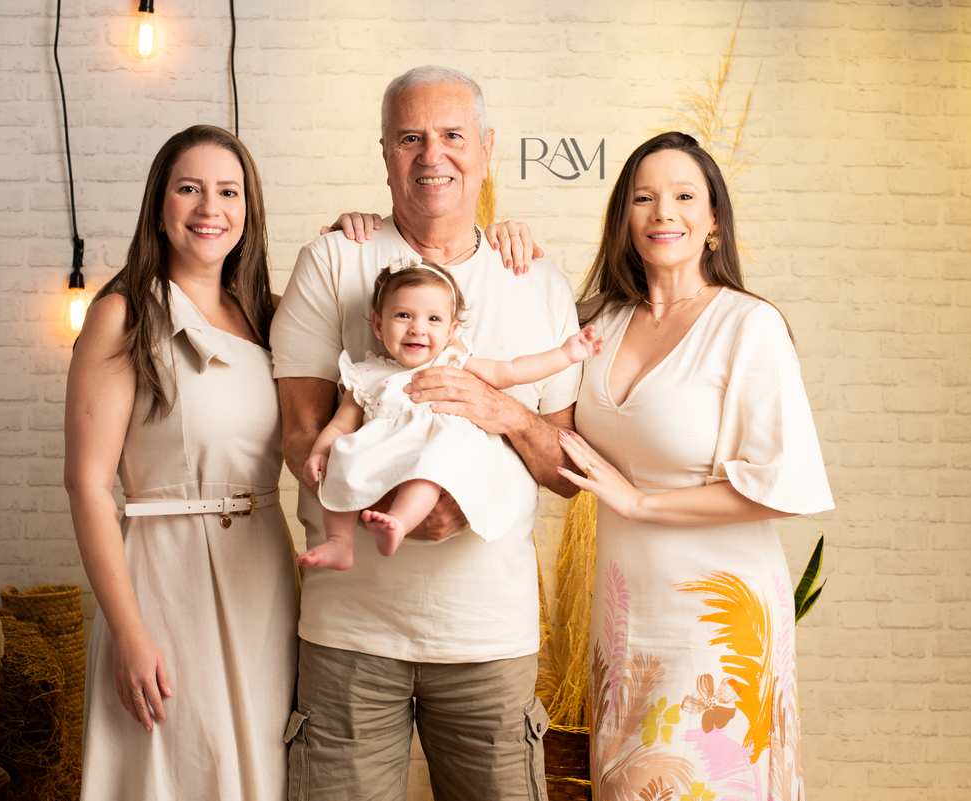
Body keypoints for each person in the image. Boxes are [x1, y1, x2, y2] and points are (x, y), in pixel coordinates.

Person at [270, 65, 582, 801]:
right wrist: (394, 499)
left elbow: (567, 469)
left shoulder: (537, 282)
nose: (431, 155)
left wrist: (503, 413)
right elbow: (301, 431)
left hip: (489, 637)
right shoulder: (334, 260)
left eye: (452, 136)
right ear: (384, 152)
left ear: (487, 149)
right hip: (350, 633)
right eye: (410, 138)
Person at [553, 132, 834, 800]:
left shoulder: (748, 324)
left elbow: (784, 484)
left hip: (718, 618)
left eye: (684, 196)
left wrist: (640, 502)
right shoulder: (596, 324)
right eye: (643, 198)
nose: (663, 212)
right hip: (626, 614)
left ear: (714, 221)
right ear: (623, 218)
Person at [64, 125, 298, 800]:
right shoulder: (122, 314)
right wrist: (129, 631)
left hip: (263, 575)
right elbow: (86, 485)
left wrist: (355, 232)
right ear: (159, 204)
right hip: (165, 582)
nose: (209, 208)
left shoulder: (270, 316)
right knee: (178, 764)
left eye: (228, 192)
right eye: (189, 188)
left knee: (260, 765)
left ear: (249, 208)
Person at [300, 260, 603, 569]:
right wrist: (320, 453)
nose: (417, 328)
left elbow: (511, 371)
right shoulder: (365, 375)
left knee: (430, 469)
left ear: (451, 332)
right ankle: (339, 542)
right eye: (403, 315)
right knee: (344, 459)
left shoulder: (453, 361)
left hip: (432, 448)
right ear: (378, 325)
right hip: (380, 451)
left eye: (433, 319)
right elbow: (340, 425)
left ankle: (398, 522)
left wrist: (565, 354)